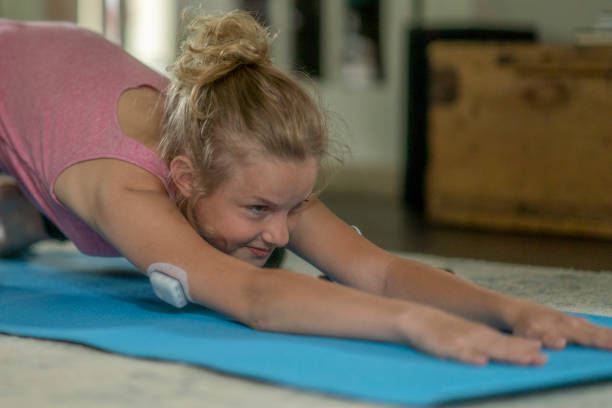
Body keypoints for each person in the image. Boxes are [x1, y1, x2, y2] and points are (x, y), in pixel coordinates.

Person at [1, 11, 611, 366]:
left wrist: (514, 311)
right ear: (184, 179)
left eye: (294, 206)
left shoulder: (238, 152)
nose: (282, 231)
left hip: (55, 66)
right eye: (260, 209)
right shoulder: (121, 186)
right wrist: (410, 325)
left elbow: (377, 272)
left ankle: (20, 212)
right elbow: (254, 297)